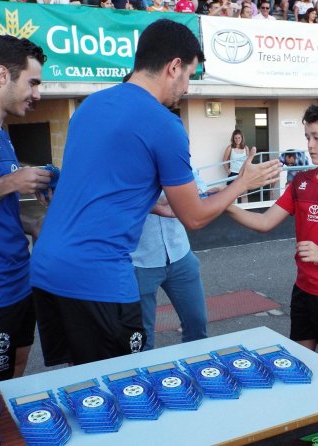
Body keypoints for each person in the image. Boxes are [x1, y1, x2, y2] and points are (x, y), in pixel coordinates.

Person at [30, 19, 281, 367]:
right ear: (173, 67)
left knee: (81, 385)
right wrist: (241, 183)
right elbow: (194, 217)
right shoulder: (164, 124)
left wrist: (157, 205)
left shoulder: (89, 106)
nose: (188, 88)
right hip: (98, 276)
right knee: (124, 386)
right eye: (190, 76)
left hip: (45, 268)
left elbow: (109, 188)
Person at [226, 102, 318, 446]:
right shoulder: (302, 181)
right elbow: (264, 222)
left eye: (316, 137)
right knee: (299, 361)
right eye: (307, 136)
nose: (309, 144)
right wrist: (225, 203)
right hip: (305, 290)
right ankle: (310, 424)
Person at [0, 36, 50, 383]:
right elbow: (1, 189)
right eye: (32, 82)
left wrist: (30, 223)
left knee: (15, 376)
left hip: (19, 280)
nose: (37, 94)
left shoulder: (0, 131)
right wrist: (12, 183)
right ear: (2, 75)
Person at [132, 172, 217, 351]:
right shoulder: (128, 158)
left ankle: (195, 373)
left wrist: (197, 192)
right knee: (142, 340)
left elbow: (196, 182)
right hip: (140, 259)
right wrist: (174, 195)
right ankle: (143, 379)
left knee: (197, 325)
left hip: (180, 253)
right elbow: (123, 197)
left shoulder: (172, 152)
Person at [222, 129, 250, 203]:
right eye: (236, 138)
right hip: (233, 173)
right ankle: (233, 213)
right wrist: (229, 172)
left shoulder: (246, 148)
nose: (237, 139)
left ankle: (245, 211)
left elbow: (248, 162)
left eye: (239, 138)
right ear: (233, 139)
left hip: (243, 173)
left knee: (244, 195)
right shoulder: (230, 148)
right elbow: (224, 161)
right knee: (232, 196)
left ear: (242, 138)